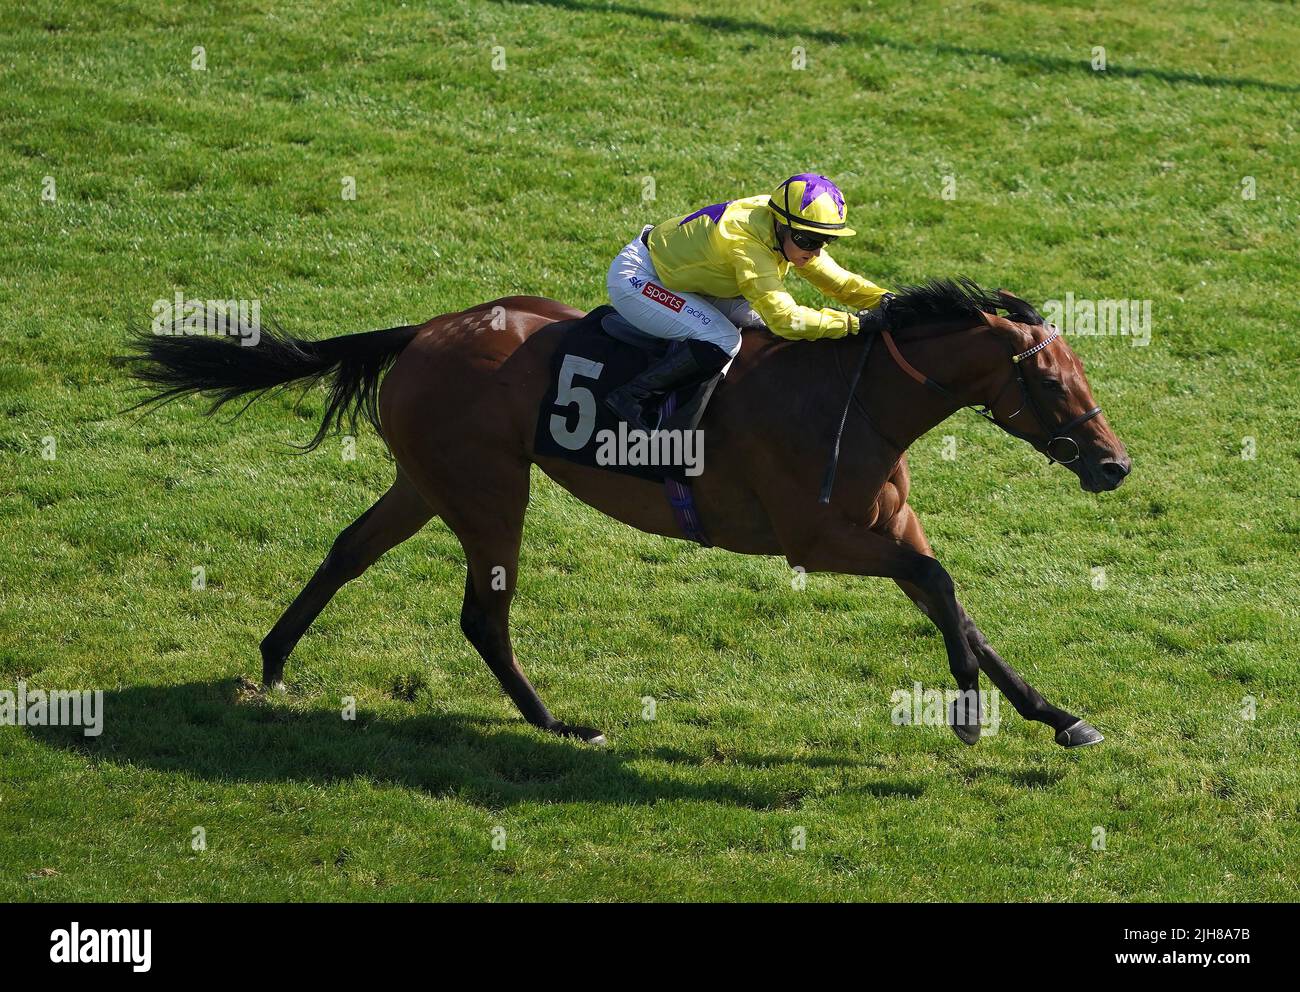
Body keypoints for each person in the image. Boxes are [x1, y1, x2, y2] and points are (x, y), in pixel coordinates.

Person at [604, 172, 895, 431]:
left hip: (690, 281)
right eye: (808, 241)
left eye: (824, 241)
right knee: (723, 338)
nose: (816, 252)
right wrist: (854, 323)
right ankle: (633, 396)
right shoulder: (746, 243)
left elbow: (839, 281)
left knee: (761, 330)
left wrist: (885, 300)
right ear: (782, 225)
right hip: (641, 279)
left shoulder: (783, 227)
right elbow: (786, 319)